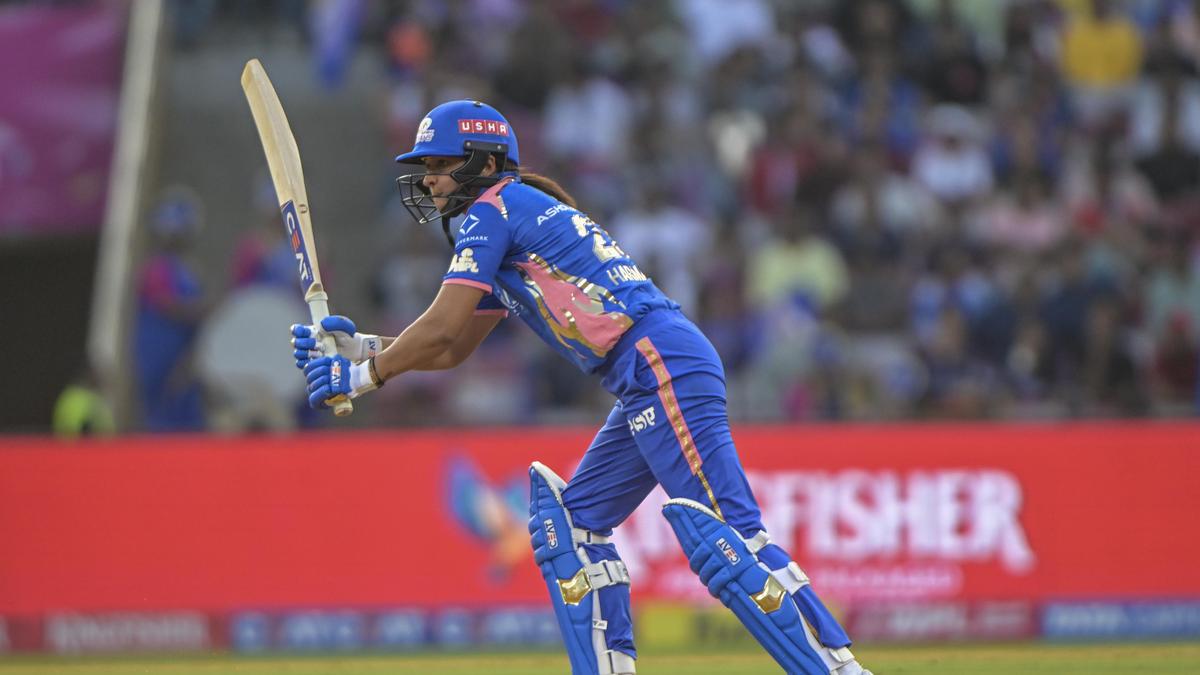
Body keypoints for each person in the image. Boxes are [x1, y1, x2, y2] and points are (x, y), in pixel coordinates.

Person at [291, 100, 870, 675]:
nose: (429, 180)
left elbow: (440, 328)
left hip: (657, 362)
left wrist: (363, 377)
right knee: (569, 527)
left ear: (486, 164)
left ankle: (840, 670)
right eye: (426, 167)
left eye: (441, 164)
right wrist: (363, 348)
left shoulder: (493, 210)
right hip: (646, 375)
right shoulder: (511, 214)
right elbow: (453, 346)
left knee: (728, 536)